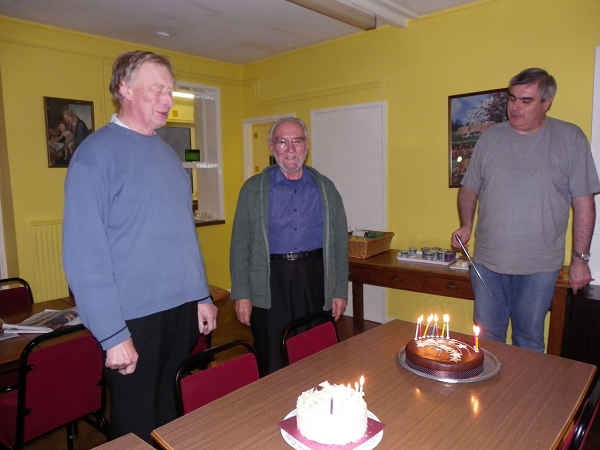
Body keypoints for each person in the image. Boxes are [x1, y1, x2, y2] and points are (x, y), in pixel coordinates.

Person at [62, 50, 217, 441]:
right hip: (132, 319)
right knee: (134, 423)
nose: (168, 99)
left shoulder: (166, 155)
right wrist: (112, 334)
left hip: (179, 311)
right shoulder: (94, 155)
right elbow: (84, 254)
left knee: (171, 412)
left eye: (170, 90)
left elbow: (184, 235)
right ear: (125, 89)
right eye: (157, 89)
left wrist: (201, 295)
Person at [451, 67, 600, 352]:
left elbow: (584, 203)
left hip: (539, 267)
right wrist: (466, 224)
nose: (515, 107)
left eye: (526, 100)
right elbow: (469, 188)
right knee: (487, 340)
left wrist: (580, 259)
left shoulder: (570, 138)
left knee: (528, 341)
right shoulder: (490, 138)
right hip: (488, 263)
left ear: (547, 103)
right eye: (512, 98)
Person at [230, 117, 348, 376]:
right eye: (282, 142)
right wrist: (242, 294)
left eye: (297, 141)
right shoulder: (253, 190)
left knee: (316, 353)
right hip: (270, 281)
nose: (291, 149)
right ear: (272, 147)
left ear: (307, 145)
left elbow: (340, 244)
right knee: (273, 357)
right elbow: (239, 245)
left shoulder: (325, 188)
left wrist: (339, 290)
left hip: (315, 279)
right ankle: (275, 401)